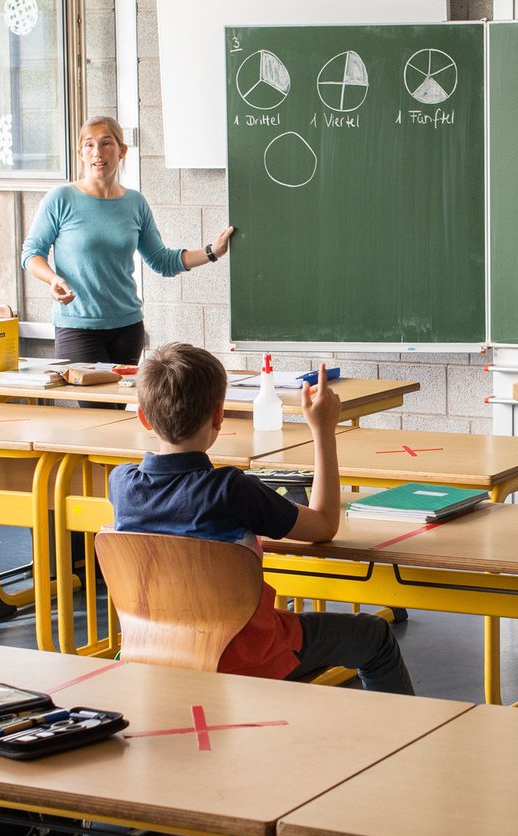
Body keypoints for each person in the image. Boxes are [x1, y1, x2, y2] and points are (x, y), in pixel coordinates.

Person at [109, 342, 414, 693]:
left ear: (143, 417)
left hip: (151, 651)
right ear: (219, 416)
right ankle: (406, 743)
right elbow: (324, 526)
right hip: (241, 654)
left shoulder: (121, 484)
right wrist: (323, 431)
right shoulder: (231, 490)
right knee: (373, 635)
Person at [21, 115, 235, 365]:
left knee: (118, 404)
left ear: (122, 151)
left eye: (106, 143)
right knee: (96, 405)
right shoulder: (60, 199)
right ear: (80, 153)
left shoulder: (135, 203)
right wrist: (54, 279)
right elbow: (31, 253)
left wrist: (213, 252)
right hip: (77, 327)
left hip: (127, 328)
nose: (97, 153)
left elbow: (161, 260)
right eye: (89, 145)